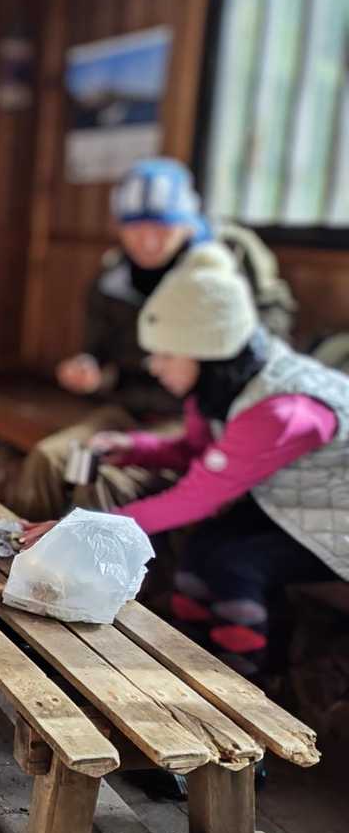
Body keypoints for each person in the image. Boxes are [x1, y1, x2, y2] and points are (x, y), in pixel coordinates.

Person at [23, 242, 349, 685]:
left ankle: (240, 685)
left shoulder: (281, 411)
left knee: (235, 562)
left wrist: (87, 527)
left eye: (166, 354)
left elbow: (196, 496)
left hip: (335, 521)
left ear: (208, 350)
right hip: (294, 505)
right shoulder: (222, 384)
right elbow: (197, 451)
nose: (154, 367)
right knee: (201, 550)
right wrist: (132, 448)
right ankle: (189, 660)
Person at [10, 158, 295, 521]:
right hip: (128, 406)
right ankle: (22, 549)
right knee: (48, 458)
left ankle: (86, 555)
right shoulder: (113, 276)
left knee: (102, 483)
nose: (147, 241)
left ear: (188, 222)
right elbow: (98, 351)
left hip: (195, 414)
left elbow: (269, 332)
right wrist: (90, 369)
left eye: (162, 227)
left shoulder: (227, 260)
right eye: (135, 229)